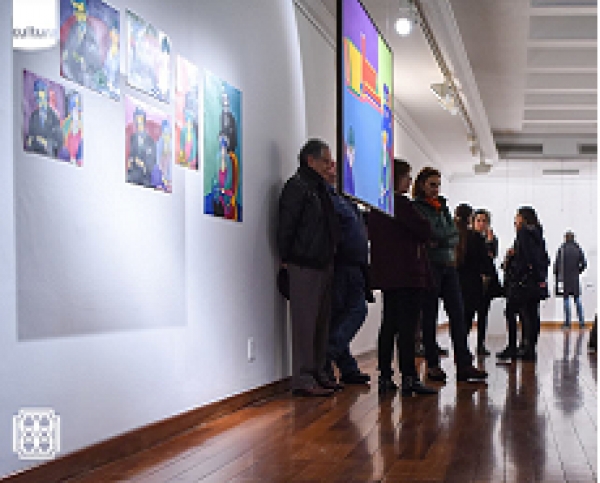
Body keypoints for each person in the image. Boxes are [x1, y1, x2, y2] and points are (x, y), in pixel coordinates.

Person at [277, 139, 340, 397]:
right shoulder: (297, 187)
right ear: (310, 161)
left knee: (320, 324)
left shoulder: (320, 190)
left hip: (323, 263)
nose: (329, 166)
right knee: (305, 323)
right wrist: (286, 258)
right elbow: (287, 225)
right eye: (325, 161)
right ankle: (304, 378)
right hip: (303, 263)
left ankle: (318, 373)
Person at [369, 159, 437, 396]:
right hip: (408, 274)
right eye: (407, 177)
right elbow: (426, 230)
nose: (410, 181)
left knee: (389, 325)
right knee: (408, 328)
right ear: (396, 179)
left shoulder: (377, 207)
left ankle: (386, 377)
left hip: (388, 275)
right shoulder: (402, 205)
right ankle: (409, 377)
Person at [412, 168, 487, 382]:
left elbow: (452, 236)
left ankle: (464, 364)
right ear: (422, 185)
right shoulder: (417, 208)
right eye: (432, 184)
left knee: (458, 315)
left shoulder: (443, 206)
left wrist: (442, 238)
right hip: (430, 266)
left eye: (438, 184)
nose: (436, 189)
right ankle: (433, 365)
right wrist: (443, 236)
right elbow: (432, 233)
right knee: (430, 316)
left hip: (448, 265)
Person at [323, 161, 371, 386]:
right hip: (340, 264)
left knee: (344, 316)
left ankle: (347, 367)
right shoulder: (328, 199)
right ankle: (328, 355)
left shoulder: (347, 202)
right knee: (353, 312)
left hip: (354, 265)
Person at [508, 206, 550, 361]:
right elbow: (544, 258)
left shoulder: (523, 233)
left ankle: (527, 349)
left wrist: (514, 263)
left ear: (523, 218)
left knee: (525, 314)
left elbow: (525, 257)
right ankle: (531, 347)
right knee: (533, 314)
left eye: (517, 216)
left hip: (525, 281)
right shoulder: (538, 233)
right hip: (537, 280)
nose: (515, 220)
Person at [455, 205, 495, 357]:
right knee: (469, 315)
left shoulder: (461, 236)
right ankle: (468, 347)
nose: (481, 223)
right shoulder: (474, 238)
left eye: (484, 221)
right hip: (475, 282)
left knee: (471, 315)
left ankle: (471, 347)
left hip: (470, 282)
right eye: (478, 220)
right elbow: (486, 260)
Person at [554, 231, 587, 329]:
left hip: (565, 279)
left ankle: (567, 324)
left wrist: (557, 276)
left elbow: (557, 265)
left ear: (565, 238)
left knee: (566, 300)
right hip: (575, 278)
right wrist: (578, 271)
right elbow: (584, 263)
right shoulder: (577, 249)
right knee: (577, 300)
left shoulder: (562, 249)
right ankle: (582, 323)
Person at [26, 79, 63, 157]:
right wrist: (30, 140)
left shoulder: (54, 117)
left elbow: (59, 143)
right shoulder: (33, 116)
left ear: (46, 97)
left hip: (49, 158)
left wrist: (45, 142)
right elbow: (30, 137)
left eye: (42, 99)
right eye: (38, 99)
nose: (40, 103)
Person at [127, 107, 156, 187]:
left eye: (141, 122)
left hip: (145, 177)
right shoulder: (133, 138)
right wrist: (130, 161)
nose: (139, 125)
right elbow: (131, 155)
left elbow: (152, 163)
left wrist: (143, 164)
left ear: (144, 122)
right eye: (137, 122)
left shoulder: (151, 141)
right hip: (133, 174)